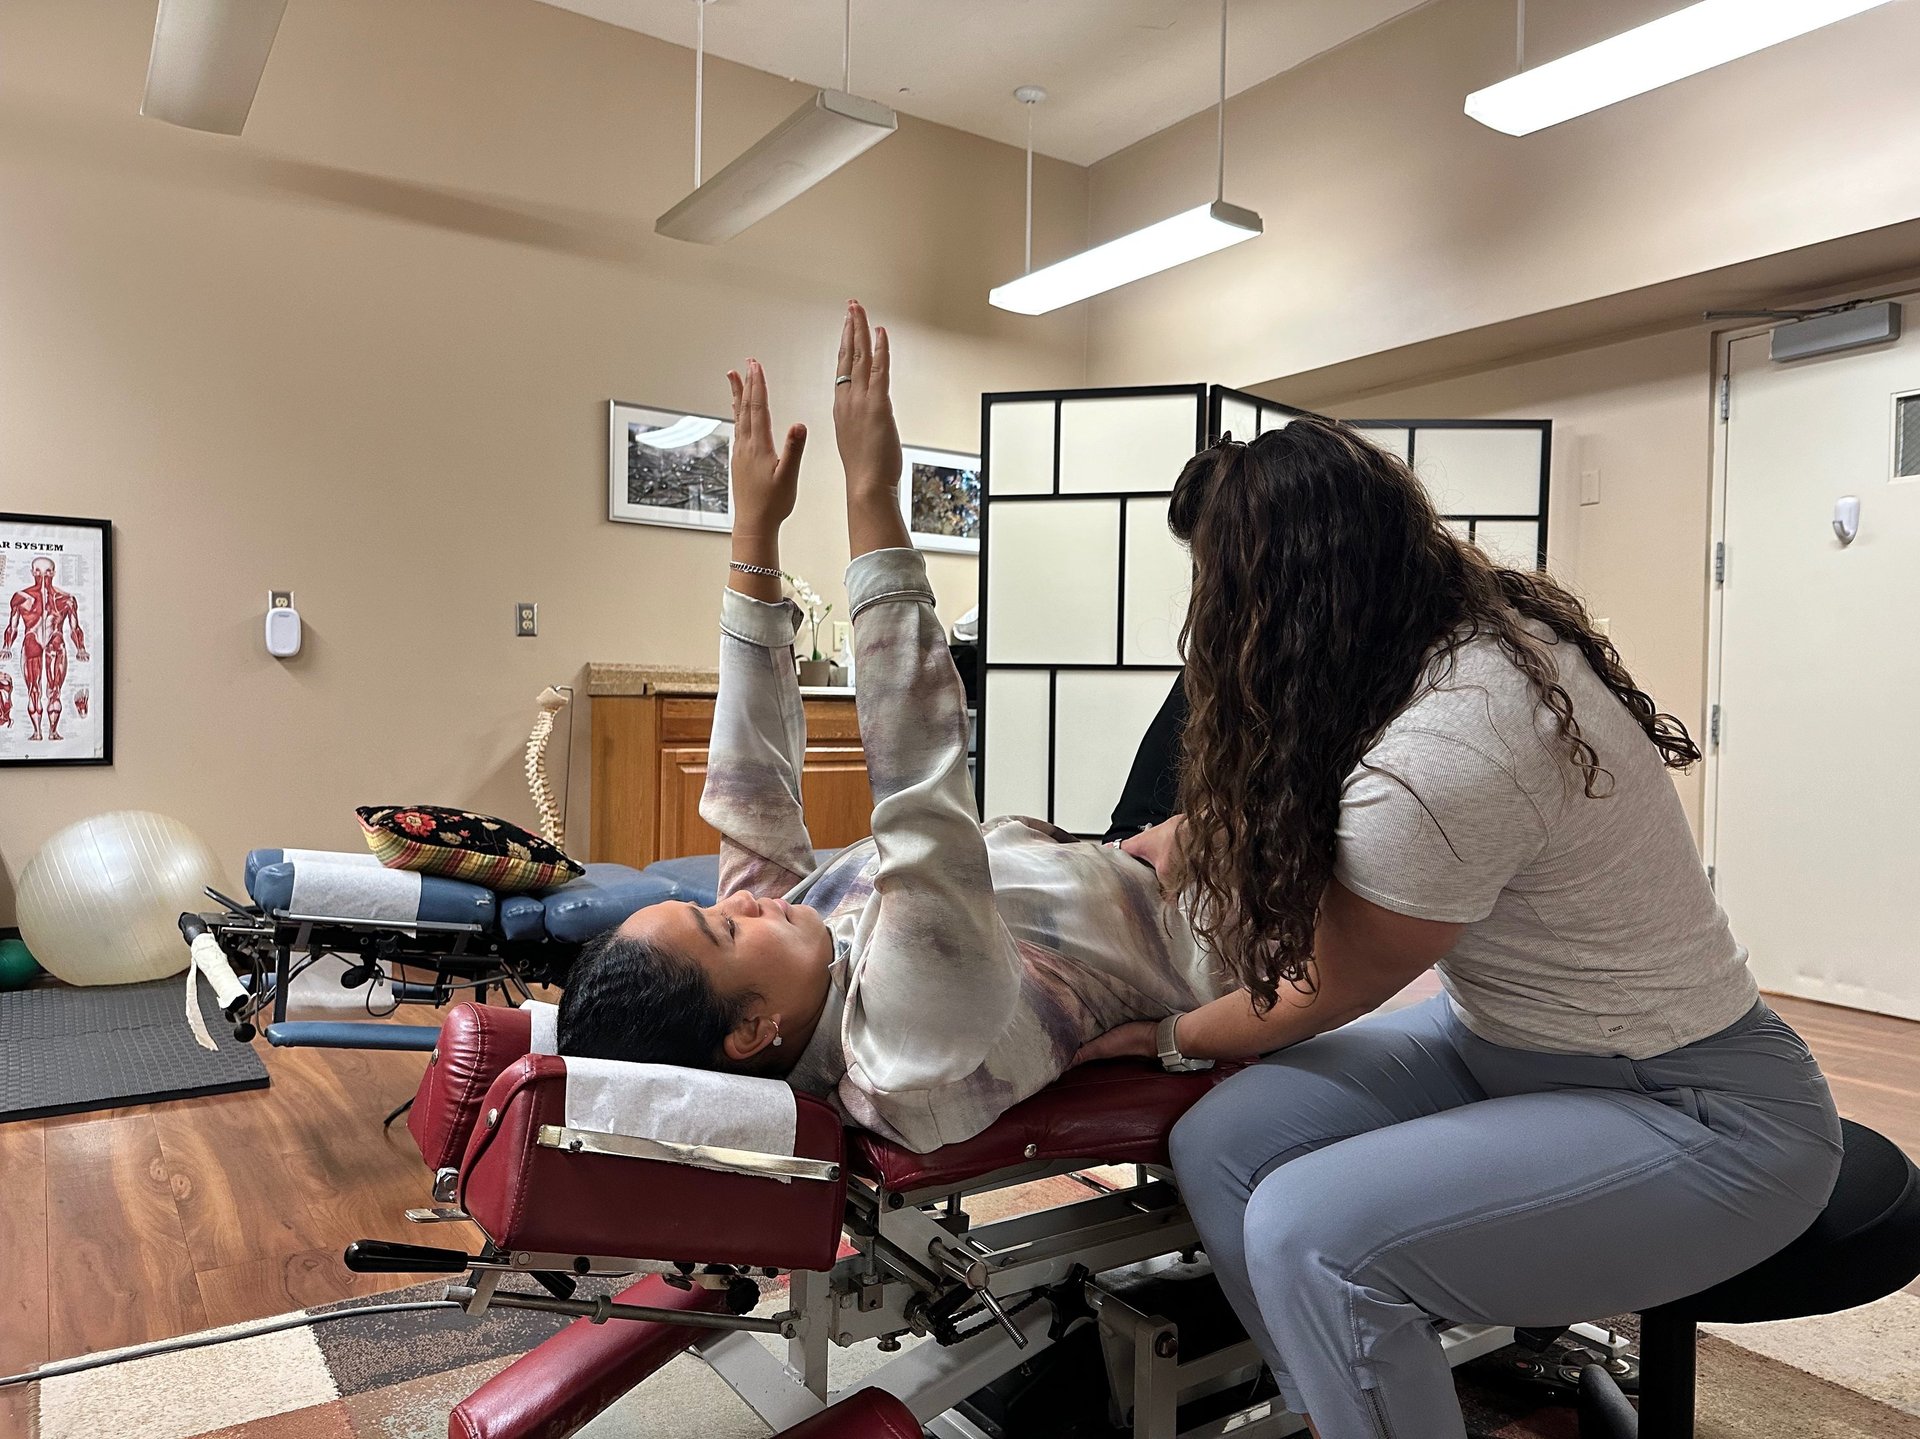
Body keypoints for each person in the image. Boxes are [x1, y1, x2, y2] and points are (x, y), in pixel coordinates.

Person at [1073, 423, 1845, 1439]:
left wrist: (1166, 1037)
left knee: (1312, 1230)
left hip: (1704, 1107)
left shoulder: (1459, 736)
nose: (1214, 616)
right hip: (1502, 1040)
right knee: (1222, 1141)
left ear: (1301, 591)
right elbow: (1316, 805)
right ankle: (1338, 1403)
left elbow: (1327, 983)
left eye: (1222, 585)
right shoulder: (1431, 643)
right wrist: (1198, 827)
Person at [559, 302, 1231, 1154]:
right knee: (1270, 662)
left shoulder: (794, 948)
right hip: (1215, 911)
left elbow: (749, 778)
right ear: (751, 1031)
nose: (743, 900)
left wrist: (754, 530)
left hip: (1123, 853)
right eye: (725, 927)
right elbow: (921, 786)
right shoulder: (903, 1044)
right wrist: (872, 496)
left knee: (1232, 658)